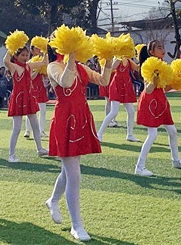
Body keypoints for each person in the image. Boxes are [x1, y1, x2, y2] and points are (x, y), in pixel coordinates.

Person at [44, 36, 115, 242]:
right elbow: (65, 82)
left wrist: (108, 61)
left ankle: (53, 200)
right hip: (65, 120)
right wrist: (72, 57)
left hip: (81, 118)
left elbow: (103, 81)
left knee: (69, 170)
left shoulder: (81, 67)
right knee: (74, 172)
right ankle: (77, 225)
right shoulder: (53, 66)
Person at [135, 40, 181, 177]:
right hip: (149, 102)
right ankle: (139, 167)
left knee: (172, 131)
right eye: (159, 48)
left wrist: (177, 82)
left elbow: (165, 89)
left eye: (163, 47)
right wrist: (155, 77)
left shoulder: (164, 67)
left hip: (160, 100)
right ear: (151, 52)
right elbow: (148, 90)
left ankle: (176, 160)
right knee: (153, 134)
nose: (163, 49)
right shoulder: (148, 67)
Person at [4, 47, 48, 162]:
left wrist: (45, 50)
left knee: (35, 125)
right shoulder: (14, 67)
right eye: (22, 55)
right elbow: (6, 60)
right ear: (16, 56)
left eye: (26, 55)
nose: (25, 57)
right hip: (18, 99)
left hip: (28, 98)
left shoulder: (29, 66)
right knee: (17, 128)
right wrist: (11, 46)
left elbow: (44, 62)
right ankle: (11, 154)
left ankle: (40, 149)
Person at [96, 54, 141, 143]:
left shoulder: (128, 60)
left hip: (126, 85)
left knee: (131, 111)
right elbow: (112, 68)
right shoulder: (117, 58)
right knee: (114, 111)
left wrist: (143, 58)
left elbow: (137, 68)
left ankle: (130, 135)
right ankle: (99, 133)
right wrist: (118, 58)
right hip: (117, 85)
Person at [25, 45, 50, 138]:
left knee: (42, 110)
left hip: (40, 88)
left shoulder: (42, 60)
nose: (38, 50)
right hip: (31, 88)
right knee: (30, 110)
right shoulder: (29, 62)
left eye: (40, 48)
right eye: (36, 48)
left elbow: (46, 72)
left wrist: (46, 54)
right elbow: (31, 77)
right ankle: (27, 130)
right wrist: (38, 69)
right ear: (31, 50)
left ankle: (41, 130)